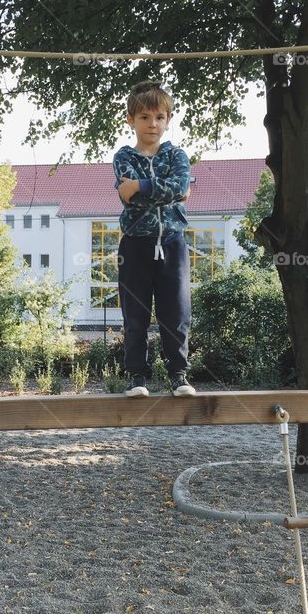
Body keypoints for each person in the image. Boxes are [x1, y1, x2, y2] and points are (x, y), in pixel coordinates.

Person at [112, 80, 195, 398]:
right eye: (145, 117)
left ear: (168, 120)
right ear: (131, 120)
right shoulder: (123, 157)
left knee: (176, 312)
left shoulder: (178, 155)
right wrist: (170, 191)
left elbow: (178, 186)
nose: (152, 124)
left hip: (172, 242)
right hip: (135, 244)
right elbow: (137, 198)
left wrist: (141, 187)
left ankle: (179, 375)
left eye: (159, 117)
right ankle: (137, 378)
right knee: (135, 313)